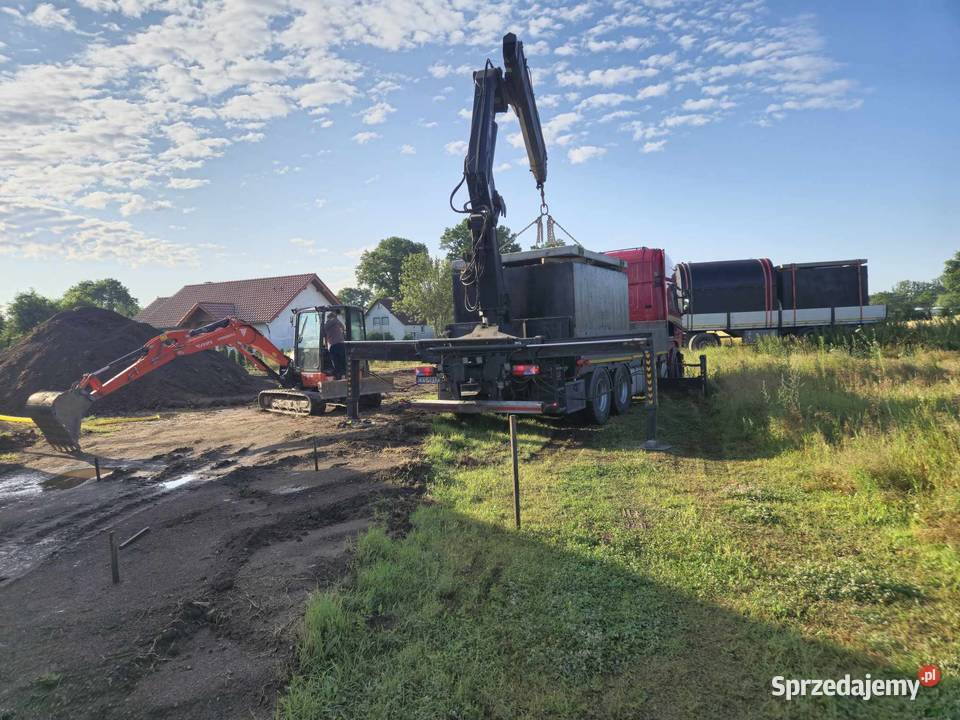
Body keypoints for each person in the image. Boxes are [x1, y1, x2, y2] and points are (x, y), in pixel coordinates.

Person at [323, 309, 347, 379]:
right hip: (340, 344)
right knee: (342, 361)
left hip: (333, 345)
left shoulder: (326, 325)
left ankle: (338, 375)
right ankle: (343, 374)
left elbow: (324, 334)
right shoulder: (336, 321)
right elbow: (343, 327)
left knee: (335, 362)